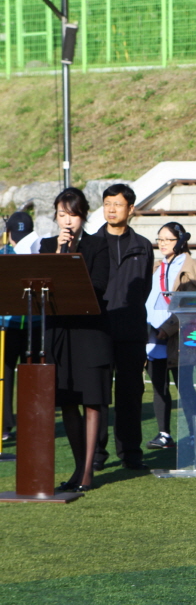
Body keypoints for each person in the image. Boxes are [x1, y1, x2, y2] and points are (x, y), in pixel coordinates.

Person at [40, 188, 113, 492]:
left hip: (89, 332)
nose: (66, 220)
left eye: (72, 214)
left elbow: (97, 286)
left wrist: (72, 255)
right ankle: (77, 467)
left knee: (92, 400)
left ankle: (87, 472)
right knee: (68, 402)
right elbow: (43, 285)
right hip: (59, 333)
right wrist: (59, 253)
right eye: (61, 214)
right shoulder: (46, 245)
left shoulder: (98, 246)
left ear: (83, 215)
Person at [93, 184, 154, 471]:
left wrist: (130, 314)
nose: (111, 209)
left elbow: (144, 288)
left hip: (131, 330)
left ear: (131, 209)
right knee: (99, 393)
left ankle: (131, 453)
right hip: (99, 329)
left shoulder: (143, 245)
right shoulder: (91, 244)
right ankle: (96, 454)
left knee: (131, 394)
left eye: (117, 204)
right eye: (107, 203)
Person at [145, 222, 196, 450]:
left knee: (185, 387)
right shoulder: (157, 265)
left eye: (168, 239)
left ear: (181, 240)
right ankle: (163, 434)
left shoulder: (191, 266)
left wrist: (168, 328)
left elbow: (190, 305)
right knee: (158, 386)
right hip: (152, 333)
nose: (162, 244)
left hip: (178, 336)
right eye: (159, 239)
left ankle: (195, 435)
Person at [1, 211, 34, 441]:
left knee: (31, 375)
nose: (19, 240)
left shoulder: (37, 252)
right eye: (16, 235)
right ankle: (4, 424)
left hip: (34, 324)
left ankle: (31, 422)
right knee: (4, 374)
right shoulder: (3, 254)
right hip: (6, 324)